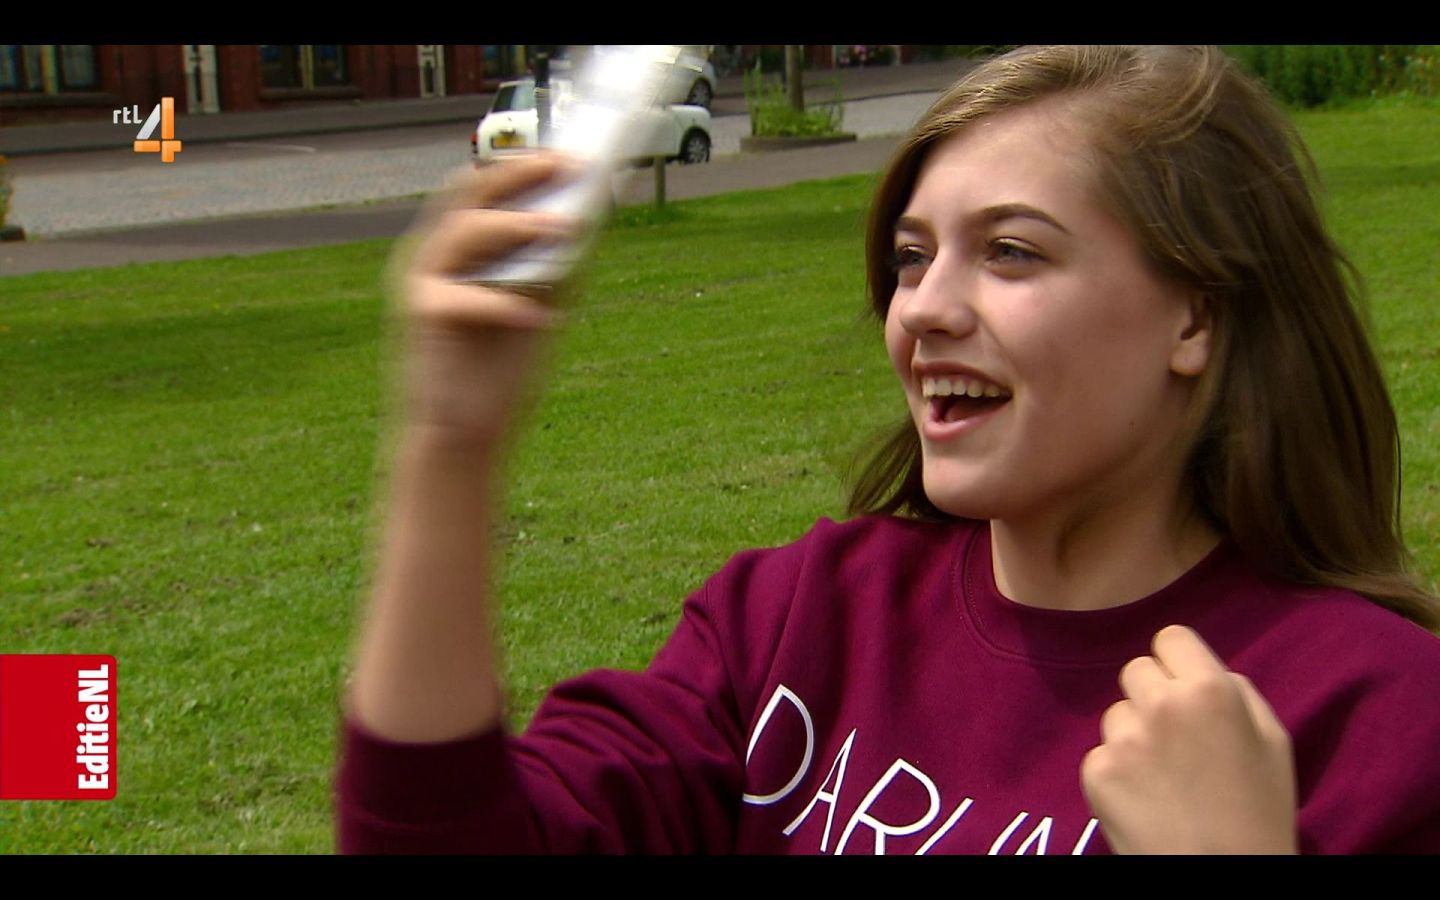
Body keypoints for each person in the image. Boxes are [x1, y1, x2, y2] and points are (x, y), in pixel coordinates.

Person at [336, 45, 1440, 854]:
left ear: (1193, 318)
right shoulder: (793, 622)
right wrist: (447, 443)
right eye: (913, 257)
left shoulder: (1379, 717)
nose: (923, 309)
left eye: (1011, 252)